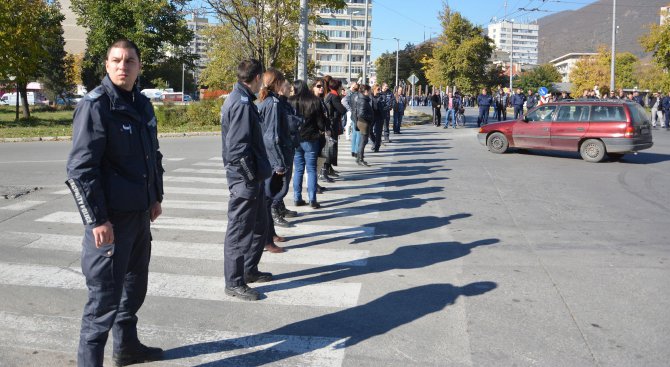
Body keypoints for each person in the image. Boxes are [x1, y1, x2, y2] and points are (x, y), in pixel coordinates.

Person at [65, 39, 165, 366]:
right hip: (110, 225)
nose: (123, 66)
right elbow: (80, 171)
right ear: (107, 65)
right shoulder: (95, 106)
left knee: (133, 292)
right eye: (117, 60)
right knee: (102, 305)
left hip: (138, 218)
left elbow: (152, 155)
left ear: (139, 66)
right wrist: (96, 220)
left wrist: (154, 198)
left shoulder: (142, 105)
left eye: (130, 60)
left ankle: (126, 348)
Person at [220, 59, 273, 302]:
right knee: (240, 231)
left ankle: (249, 270)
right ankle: (234, 281)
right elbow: (237, 149)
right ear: (257, 77)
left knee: (259, 227)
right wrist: (251, 178)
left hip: (252, 178)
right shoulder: (241, 103)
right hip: (245, 180)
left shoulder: (242, 99)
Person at [258, 69, 294, 253]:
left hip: (271, 158)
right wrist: (279, 163)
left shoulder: (272, 101)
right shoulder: (272, 103)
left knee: (268, 200)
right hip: (272, 160)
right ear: (277, 82)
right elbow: (271, 137)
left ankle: (270, 234)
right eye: (282, 81)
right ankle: (266, 240)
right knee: (267, 201)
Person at [290, 80, 326, 208]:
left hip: (296, 139)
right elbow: (321, 122)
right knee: (311, 169)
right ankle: (312, 199)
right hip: (311, 138)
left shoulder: (291, 101)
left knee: (298, 169)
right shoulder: (314, 101)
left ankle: (297, 197)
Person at [324, 78, 347, 177]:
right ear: (338, 87)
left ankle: (328, 168)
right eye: (341, 86)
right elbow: (342, 110)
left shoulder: (329, 95)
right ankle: (325, 170)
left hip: (330, 124)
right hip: (332, 124)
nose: (342, 88)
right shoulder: (334, 97)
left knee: (331, 147)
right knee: (330, 148)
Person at [355, 84, 373, 166]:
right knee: (363, 141)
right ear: (365, 91)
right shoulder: (362, 100)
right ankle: (360, 159)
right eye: (369, 91)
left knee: (363, 141)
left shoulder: (363, 99)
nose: (370, 92)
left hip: (363, 122)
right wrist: (370, 117)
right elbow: (361, 114)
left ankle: (359, 158)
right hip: (363, 123)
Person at [370, 84, 384, 152]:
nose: (379, 90)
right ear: (374, 89)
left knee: (378, 132)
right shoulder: (370, 96)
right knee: (369, 131)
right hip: (371, 116)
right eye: (378, 89)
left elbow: (386, 104)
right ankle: (374, 141)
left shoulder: (381, 96)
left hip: (379, 116)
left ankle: (377, 146)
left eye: (380, 89)